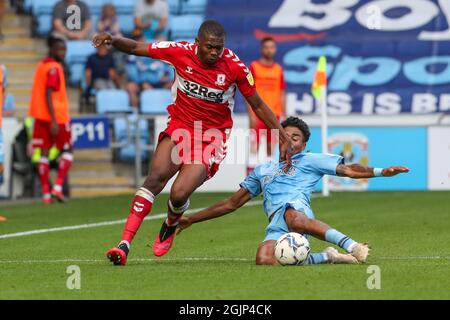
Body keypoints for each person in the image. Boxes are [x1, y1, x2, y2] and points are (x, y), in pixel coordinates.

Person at [92, 20, 293, 266]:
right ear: (197, 43)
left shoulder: (235, 67)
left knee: (178, 194)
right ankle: (124, 244)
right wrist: (113, 39)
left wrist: (280, 132)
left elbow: (258, 104)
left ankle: (170, 223)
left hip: (211, 137)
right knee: (154, 179)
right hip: (180, 126)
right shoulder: (179, 51)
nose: (214, 52)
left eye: (218, 48)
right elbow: (135, 47)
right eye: (209, 47)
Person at [176, 117, 410, 265]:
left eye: (295, 137)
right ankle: (327, 257)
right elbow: (231, 203)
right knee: (264, 259)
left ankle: (352, 246)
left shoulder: (309, 159)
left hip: (298, 213)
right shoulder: (263, 169)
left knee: (292, 216)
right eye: (285, 136)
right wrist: (191, 219)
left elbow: (348, 169)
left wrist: (381, 171)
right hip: (277, 223)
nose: (290, 140)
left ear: (303, 145)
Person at [29, 36, 73, 204]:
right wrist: (54, 120)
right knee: (68, 151)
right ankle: (57, 187)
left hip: (40, 116)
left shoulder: (42, 65)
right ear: (52, 50)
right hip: (57, 117)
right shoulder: (54, 67)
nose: (62, 52)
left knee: (44, 152)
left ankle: (46, 194)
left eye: (64, 49)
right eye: (59, 49)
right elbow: (48, 92)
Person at [247, 37, 286, 172]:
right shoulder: (254, 67)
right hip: (258, 113)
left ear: (275, 49)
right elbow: (248, 92)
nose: (269, 50)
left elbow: (281, 92)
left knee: (271, 147)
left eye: (271, 47)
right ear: (262, 49)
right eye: (266, 47)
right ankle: (249, 179)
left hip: (274, 114)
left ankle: (269, 177)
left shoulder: (278, 69)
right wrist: (251, 115)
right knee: (254, 145)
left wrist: (284, 114)